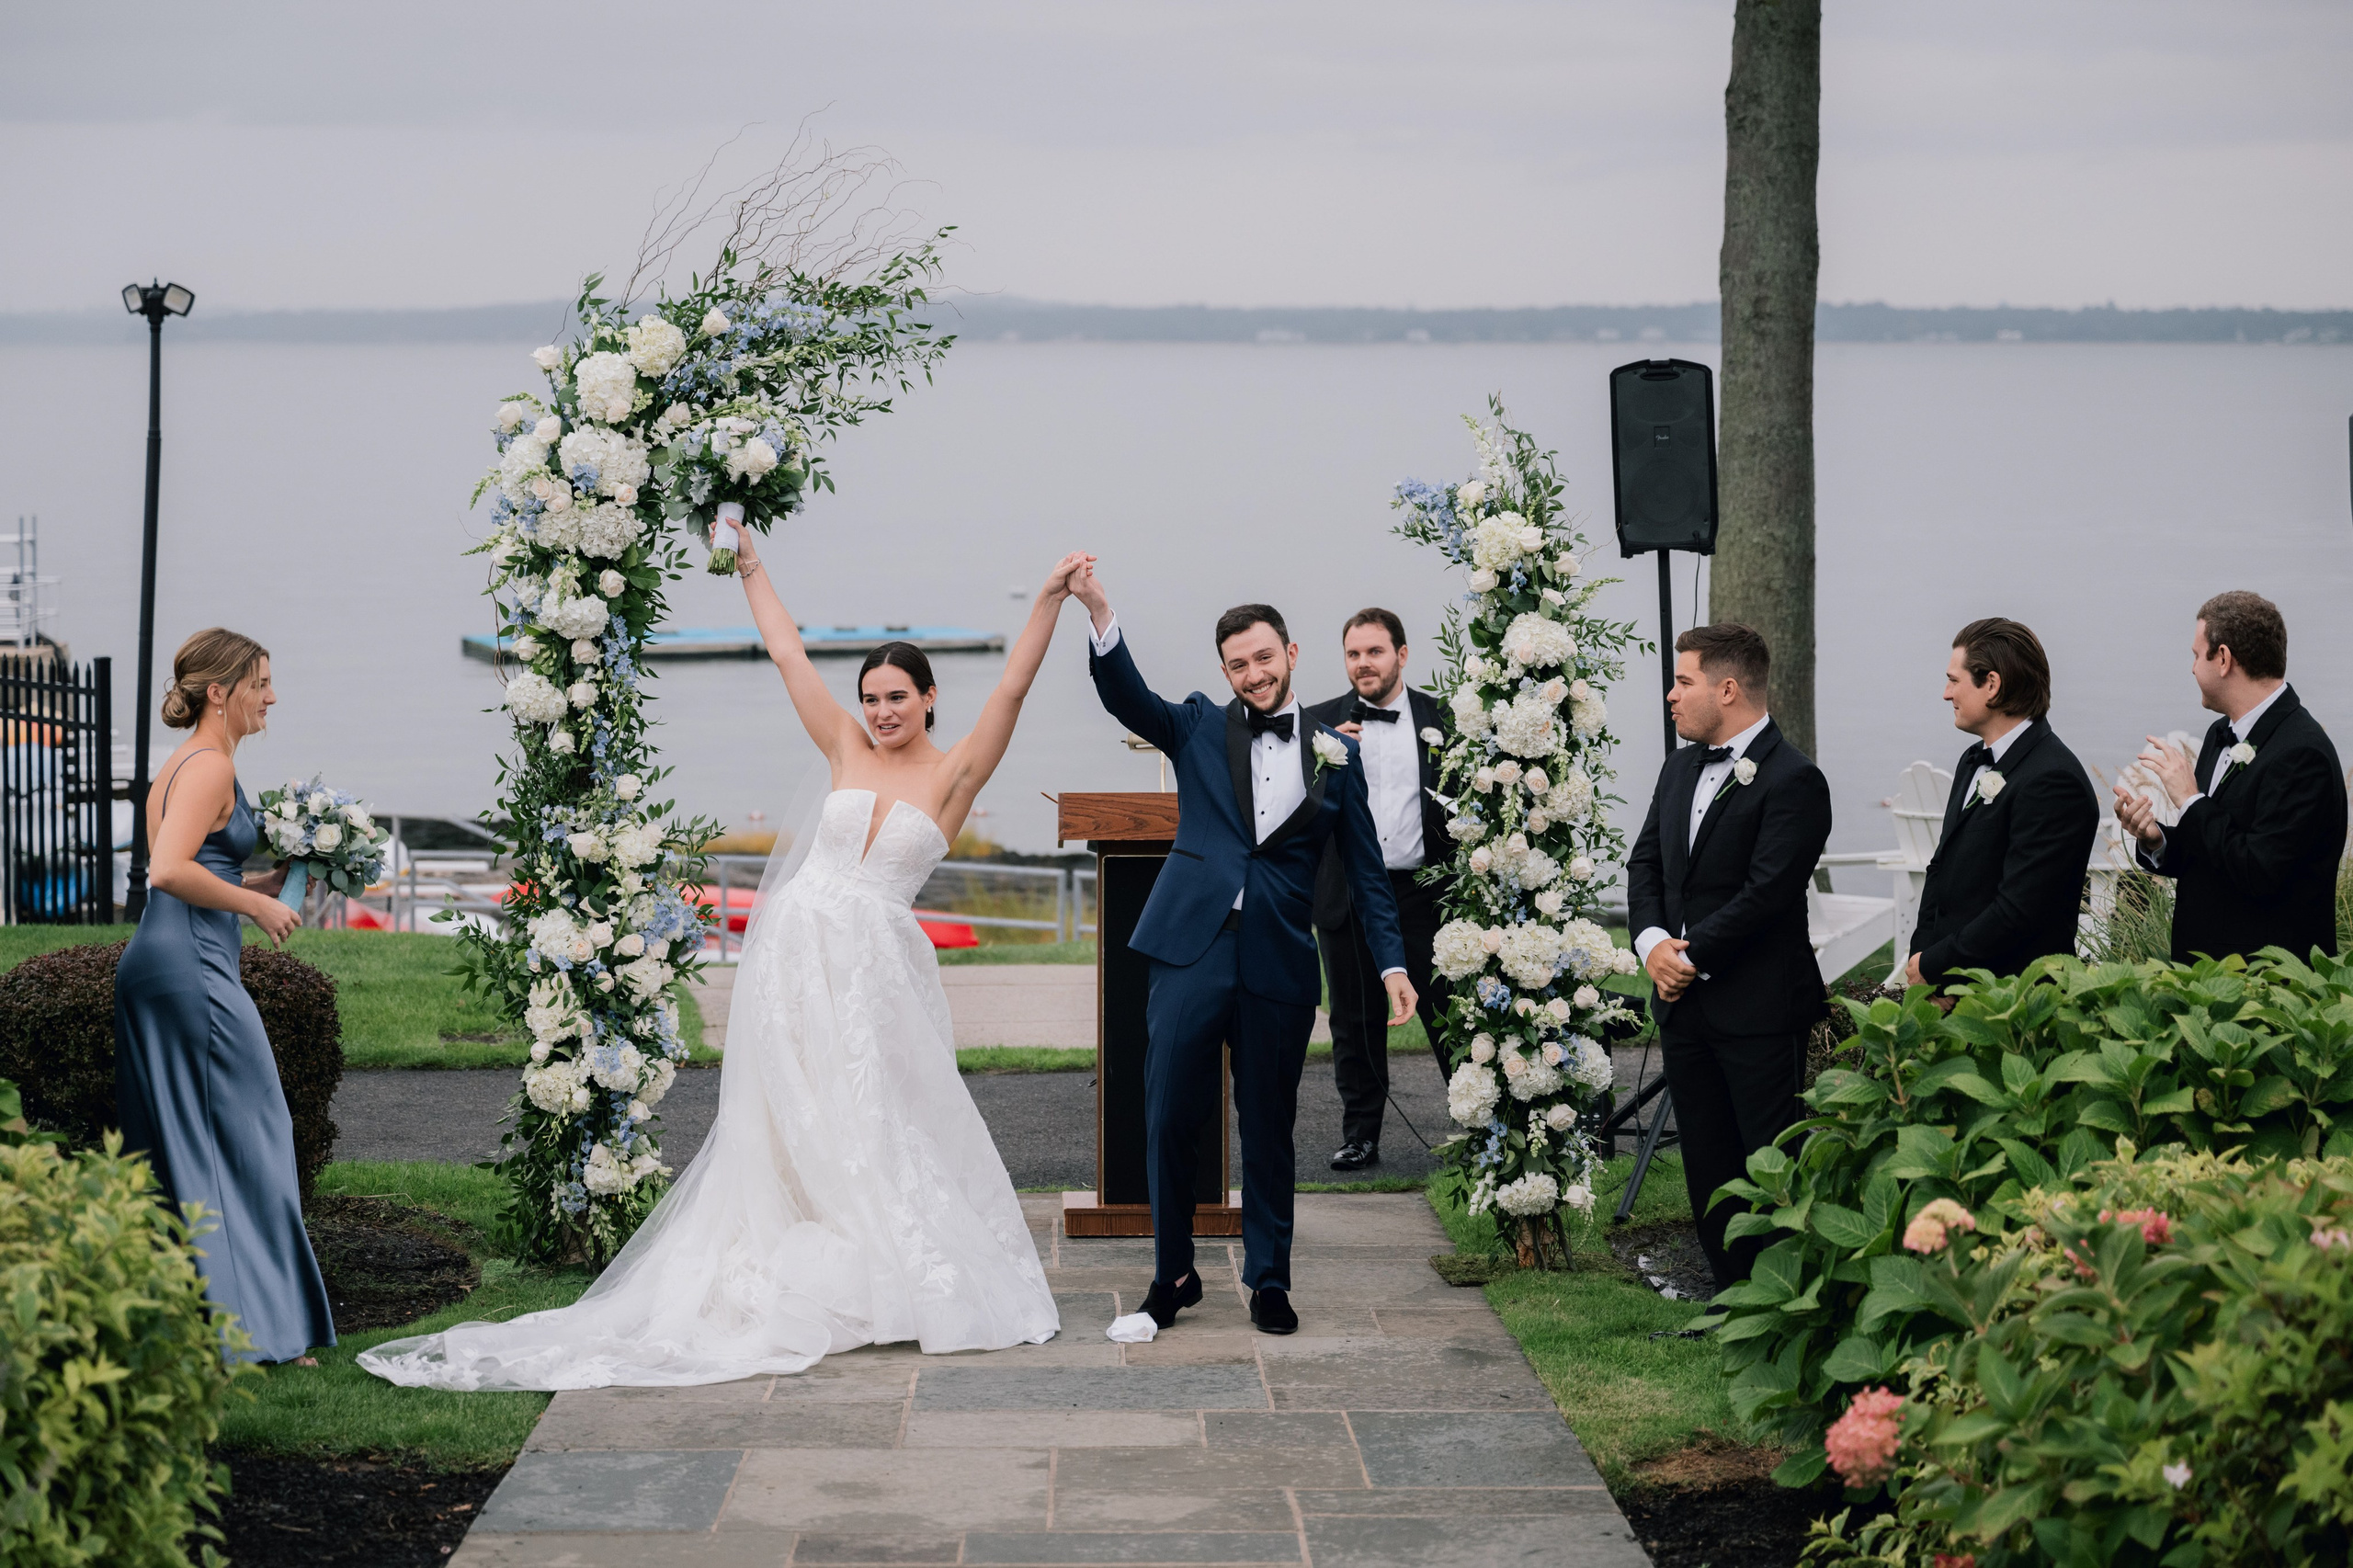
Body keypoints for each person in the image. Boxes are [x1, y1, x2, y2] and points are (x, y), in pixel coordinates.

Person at [362, 546, 1090, 1391]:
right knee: (793, 1113)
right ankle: (791, 1246)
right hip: (793, 955)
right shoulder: (845, 749)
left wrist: (1047, 600)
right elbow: (788, 652)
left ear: (929, 698)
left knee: (877, 1110)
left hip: (875, 973)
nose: (883, 711)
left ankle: (886, 1261)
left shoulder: (956, 774)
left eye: (898, 697)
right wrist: (750, 567)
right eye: (872, 699)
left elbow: (1011, 692)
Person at [1073, 564, 1412, 1335]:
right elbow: (1127, 697)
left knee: (1267, 1125)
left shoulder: (1338, 753)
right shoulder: (1196, 725)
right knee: (1165, 1117)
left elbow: (1366, 872)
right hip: (1191, 949)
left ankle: (1269, 1281)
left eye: (1264, 658)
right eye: (1238, 665)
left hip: (1279, 961)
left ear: (1290, 653)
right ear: (1223, 671)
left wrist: (1392, 964)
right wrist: (1099, 612)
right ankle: (1173, 1275)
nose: (1253, 675)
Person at [113, 629, 335, 1366]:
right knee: (256, 1135)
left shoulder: (192, 764)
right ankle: (265, 1330)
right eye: (260, 683)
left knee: (193, 1146)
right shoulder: (208, 768)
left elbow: (197, 863)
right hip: (192, 967)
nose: (271, 697)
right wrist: (256, 909)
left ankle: (211, 1325)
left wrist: (261, 884)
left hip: (172, 960)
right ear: (222, 692)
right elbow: (170, 870)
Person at [1625, 624, 1832, 1293]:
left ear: (1729, 688)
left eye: (1683, 682)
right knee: (1707, 1161)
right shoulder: (1679, 766)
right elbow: (1646, 863)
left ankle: (1772, 1298)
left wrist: (1689, 954)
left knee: (1765, 1163)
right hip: (1685, 1005)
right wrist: (1652, 945)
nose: (1670, 696)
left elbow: (1767, 894)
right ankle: (1725, 1293)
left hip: (1759, 1007)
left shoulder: (1796, 780)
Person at [2113, 590, 2346, 962]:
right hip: (2206, 978)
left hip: (2264, 985)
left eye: (2195, 655)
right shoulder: (2220, 733)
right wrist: (2158, 841)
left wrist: (2190, 801)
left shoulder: (2303, 753)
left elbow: (2260, 872)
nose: (2191, 667)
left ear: (2223, 659)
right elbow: (2215, 851)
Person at [1304, 608, 1452, 1172]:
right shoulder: (1316, 726)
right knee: (1354, 1019)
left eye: (1375, 652)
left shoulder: (1447, 723)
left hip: (1426, 893)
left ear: (1402, 655)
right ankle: (1360, 1135)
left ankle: (1478, 1126)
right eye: (1353, 654)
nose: (1363, 664)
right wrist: (1321, 766)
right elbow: (1294, 811)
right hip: (1347, 895)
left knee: (1450, 1011)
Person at [1904, 619, 2099, 988]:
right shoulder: (1971, 760)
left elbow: (2020, 911)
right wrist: (1924, 964)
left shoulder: (2054, 781)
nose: (1946, 693)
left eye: (1954, 680)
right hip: (1950, 987)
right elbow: (1940, 870)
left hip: (2012, 1001)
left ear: (1991, 685)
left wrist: (1937, 967)